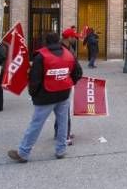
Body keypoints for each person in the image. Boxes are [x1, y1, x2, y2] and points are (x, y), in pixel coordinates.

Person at [8, 32, 83, 163]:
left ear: (46, 42)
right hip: (64, 93)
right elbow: (78, 72)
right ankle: (61, 150)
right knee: (63, 122)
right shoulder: (69, 54)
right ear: (58, 40)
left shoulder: (41, 56)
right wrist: (70, 83)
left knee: (36, 124)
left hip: (45, 96)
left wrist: (33, 94)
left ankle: (23, 152)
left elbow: (34, 79)